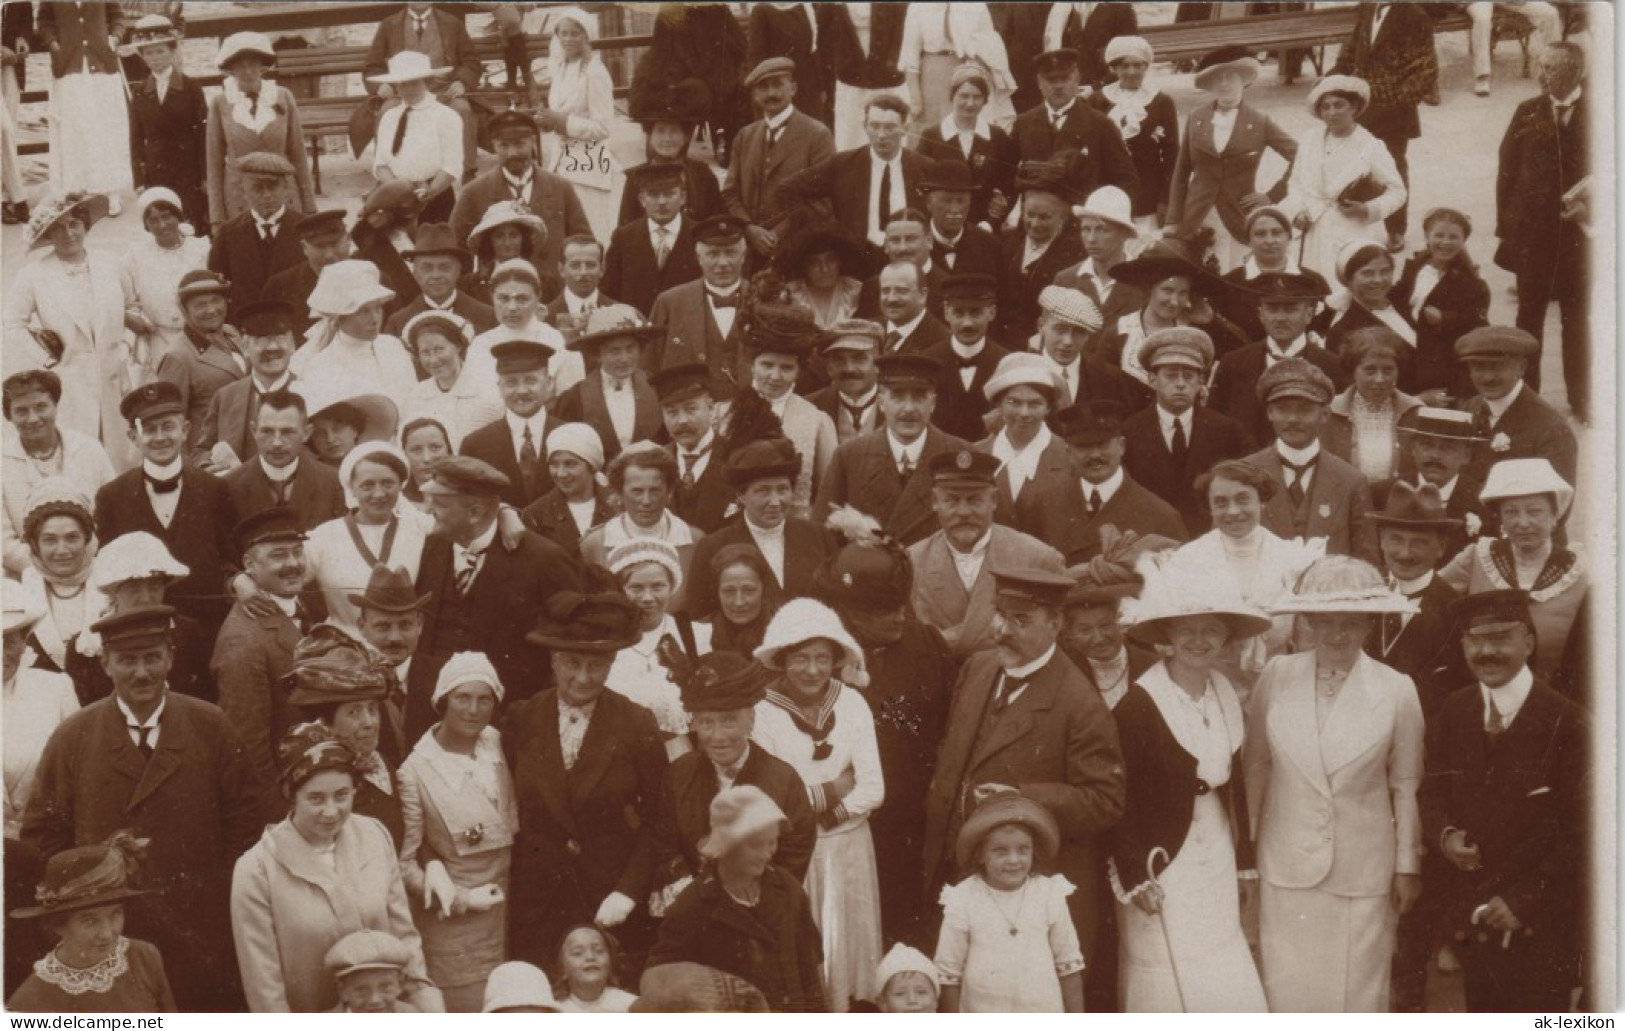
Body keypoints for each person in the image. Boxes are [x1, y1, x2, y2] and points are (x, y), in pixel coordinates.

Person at [23, 605, 263, 1011]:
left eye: (152, 657)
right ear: (105, 662)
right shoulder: (73, 738)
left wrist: (215, 894)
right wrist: (87, 898)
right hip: (111, 936)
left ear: (170, 657)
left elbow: (248, 822)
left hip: (201, 928)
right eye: (127, 660)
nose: (141, 672)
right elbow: (43, 838)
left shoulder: (211, 726)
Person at [923, 566, 1127, 970]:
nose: (1002, 630)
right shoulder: (979, 668)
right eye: (999, 614)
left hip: (1027, 894)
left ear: (1056, 625)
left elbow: (1105, 800)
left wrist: (1021, 799)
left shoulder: (1080, 703)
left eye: (1021, 620)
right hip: (960, 878)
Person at [1247, 556, 1424, 1011]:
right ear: (1306, 623)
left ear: (1370, 626)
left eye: (1351, 623)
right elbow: (1257, 767)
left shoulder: (1397, 688)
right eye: (1326, 623)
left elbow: (1405, 784)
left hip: (1361, 866)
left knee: (1357, 993)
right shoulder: (1276, 676)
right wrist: (1248, 854)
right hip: (1286, 861)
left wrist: (1406, 864)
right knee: (1288, 990)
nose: (1338, 635)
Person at [1109, 557, 1271, 1012]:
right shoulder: (1139, 705)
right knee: (1166, 960)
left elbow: (1234, 786)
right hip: (1162, 857)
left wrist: (1244, 864)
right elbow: (1116, 798)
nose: (1199, 641)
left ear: (1225, 638)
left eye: (1211, 630)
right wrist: (1135, 875)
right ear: (1168, 636)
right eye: (1187, 630)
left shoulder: (1223, 690)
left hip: (1215, 848)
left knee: (1217, 951)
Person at [1418, 590, 1589, 1012]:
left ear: (1528, 643)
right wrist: (1445, 836)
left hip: (1541, 923)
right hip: (1475, 922)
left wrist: (1522, 901)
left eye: (1500, 639)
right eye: (1475, 640)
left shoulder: (1570, 724)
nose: (1486, 651)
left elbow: (1585, 833)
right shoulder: (1455, 711)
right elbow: (1432, 790)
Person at [506, 586, 667, 967]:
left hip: (609, 903)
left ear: (611, 664)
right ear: (553, 661)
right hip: (539, 904)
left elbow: (662, 819)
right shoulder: (522, 719)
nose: (583, 677)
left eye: (596, 665)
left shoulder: (635, 723)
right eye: (572, 663)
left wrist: (628, 891)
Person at [812, 514, 955, 944]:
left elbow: (940, 724)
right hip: (846, 823)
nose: (897, 618)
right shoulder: (822, 657)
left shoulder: (926, 644)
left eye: (901, 606)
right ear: (847, 612)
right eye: (881, 611)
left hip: (909, 821)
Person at [231, 724, 442, 1013]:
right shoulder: (257, 870)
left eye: (342, 795)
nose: (331, 811)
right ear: (291, 795)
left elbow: (404, 939)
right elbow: (265, 988)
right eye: (316, 798)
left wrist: (427, 1008)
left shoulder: (374, 836)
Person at [750, 599, 885, 1010]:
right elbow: (772, 797)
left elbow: (873, 788)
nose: (812, 670)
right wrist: (833, 789)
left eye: (822, 658)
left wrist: (825, 815)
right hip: (795, 855)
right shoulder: (761, 711)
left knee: (850, 953)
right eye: (801, 658)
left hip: (848, 848)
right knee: (804, 951)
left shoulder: (852, 703)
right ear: (782, 660)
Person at [632, 649, 817, 910]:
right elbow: (664, 843)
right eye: (707, 723)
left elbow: (793, 858)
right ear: (694, 723)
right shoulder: (679, 773)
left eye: (729, 722)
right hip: (691, 913)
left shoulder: (783, 780)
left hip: (760, 917)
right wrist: (695, 897)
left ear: (750, 720)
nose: (718, 736)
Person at [412, 456, 583, 716]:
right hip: (434, 709)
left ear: (475, 512)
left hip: (508, 713)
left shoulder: (543, 559)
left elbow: (569, 643)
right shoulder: (433, 545)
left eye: (441, 504)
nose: (429, 511)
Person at [396, 652, 518, 1011]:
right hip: (456, 932)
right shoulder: (415, 770)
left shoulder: (496, 743)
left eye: (484, 699)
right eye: (462, 697)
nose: (473, 709)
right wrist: (461, 898)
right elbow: (405, 865)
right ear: (442, 700)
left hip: (508, 918)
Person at [647, 785, 826, 1011]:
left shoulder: (787, 888)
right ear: (727, 846)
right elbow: (659, 979)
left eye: (772, 841)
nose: (768, 852)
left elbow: (811, 975)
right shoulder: (693, 906)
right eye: (756, 844)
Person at [4, 193, 135, 468]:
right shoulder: (35, 275)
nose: (68, 233)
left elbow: (132, 306)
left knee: (121, 455)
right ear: (48, 235)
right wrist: (48, 360)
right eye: (58, 228)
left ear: (85, 224)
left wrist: (125, 345)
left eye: (74, 224)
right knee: (78, 456)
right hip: (71, 382)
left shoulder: (109, 263)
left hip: (115, 375)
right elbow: (12, 323)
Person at [1166, 460, 1320, 693]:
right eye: (1220, 503)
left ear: (1262, 502)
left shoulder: (1293, 559)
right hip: (1206, 689)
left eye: (1242, 499)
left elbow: (1306, 645)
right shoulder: (1187, 560)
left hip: (1280, 689)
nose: (1233, 511)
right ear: (1209, 508)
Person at [1493, 41, 1589, 415]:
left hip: (1580, 239)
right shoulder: (1528, 111)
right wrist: (1507, 230)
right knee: (1528, 318)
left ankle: (1581, 398)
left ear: (1574, 72)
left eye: (1550, 68)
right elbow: (1507, 172)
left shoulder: (1603, 113)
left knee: (1577, 318)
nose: (1541, 75)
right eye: (1541, 66)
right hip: (1532, 237)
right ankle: (1527, 398)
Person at [93, 382, 235, 630]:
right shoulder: (111, 497)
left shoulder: (216, 490)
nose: (160, 437)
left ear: (186, 430)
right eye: (149, 429)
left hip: (208, 627)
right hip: (142, 629)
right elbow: (108, 570)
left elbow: (229, 560)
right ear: (133, 437)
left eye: (168, 427)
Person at [1439, 458, 1586, 691]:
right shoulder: (1479, 557)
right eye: (1511, 512)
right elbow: (1431, 600)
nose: (1523, 522)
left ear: (1554, 516)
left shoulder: (1578, 573)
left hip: (1553, 700)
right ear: (1501, 519)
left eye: (1535, 511)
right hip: (1483, 695)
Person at [933, 790, 1085, 1012]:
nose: (1013, 860)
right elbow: (948, 974)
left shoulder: (1048, 894)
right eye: (1000, 851)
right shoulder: (964, 898)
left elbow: (1069, 965)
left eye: (1023, 849)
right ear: (980, 855)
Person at [907, 448, 1065, 657]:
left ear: (994, 501)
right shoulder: (912, 560)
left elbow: (1058, 633)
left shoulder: (1036, 557)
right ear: (935, 502)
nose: (963, 512)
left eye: (975, 500)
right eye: (952, 501)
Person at [213, 506, 320, 810]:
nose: (293, 564)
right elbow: (249, 747)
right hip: (288, 802)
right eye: (278, 555)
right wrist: (278, 810)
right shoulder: (243, 641)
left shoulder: (303, 606)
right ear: (249, 565)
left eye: (298, 552)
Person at [5, 833, 175, 1012]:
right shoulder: (27, 1002)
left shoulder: (144, 957)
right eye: (90, 921)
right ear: (57, 925)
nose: (107, 933)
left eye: (115, 914)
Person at [816, 353, 966, 546]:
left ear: (933, 403)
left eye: (919, 397)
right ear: (881, 402)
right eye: (898, 397)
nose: (909, 408)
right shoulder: (849, 456)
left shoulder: (958, 454)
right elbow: (820, 535)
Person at [1166, 47, 1296, 270]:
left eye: (1231, 77)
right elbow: (1181, 171)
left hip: (1238, 218)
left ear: (1243, 80)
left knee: (1235, 274)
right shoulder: (1196, 118)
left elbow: (1300, 157)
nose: (1224, 84)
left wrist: (1273, 195)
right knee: (1197, 275)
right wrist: (1173, 219)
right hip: (1197, 216)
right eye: (1218, 78)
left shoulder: (1259, 121)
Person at [1122, 328, 1255, 534]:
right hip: (1150, 541)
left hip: (1211, 542)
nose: (1181, 384)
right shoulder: (1129, 432)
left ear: (1201, 381)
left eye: (1189, 376)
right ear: (1152, 379)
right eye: (1171, 376)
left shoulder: (1227, 430)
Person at [1242, 358, 1376, 561]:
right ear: (1270, 413)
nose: (1293, 419)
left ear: (1325, 414)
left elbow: (1367, 564)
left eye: (1305, 409)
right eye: (1283, 408)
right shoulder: (1243, 474)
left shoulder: (1351, 481)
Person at [1329, 3, 1438, 252]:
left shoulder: (1414, 15)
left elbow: (1425, 70)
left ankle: (1396, 229)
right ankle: (1351, 226)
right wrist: (1333, 77)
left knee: (1393, 171)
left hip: (1394, 113)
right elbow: (1353, 48)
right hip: (1362, 107)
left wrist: (1393, 104)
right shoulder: (1369, 7)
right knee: (1350, 165)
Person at [685, 440, 835, 618]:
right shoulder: (713, 546)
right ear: (741, 495)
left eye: (782, 490)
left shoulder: (817, 536)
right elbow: (700, 614)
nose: (775, 502)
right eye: (763, 491)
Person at [1278, 76, 1406, 283]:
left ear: (1354, 107)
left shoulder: (1371, 146)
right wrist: (1296, 209)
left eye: (1339, 105)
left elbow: (1398, 192)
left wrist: (1367, 209)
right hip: (1310, 225)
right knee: (1306, 284)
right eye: (1325, 107)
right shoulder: (1310, 139)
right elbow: (1295, 182)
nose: (1332, 112)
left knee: (1342, 284)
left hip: (1349, 228)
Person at [1030, 400, 1186, 565]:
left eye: (1103, 444)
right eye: (1084, 447)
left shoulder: (1161, 516)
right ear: (1068, 452)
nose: (1095, 455)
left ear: (1121, 446)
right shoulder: (1043, 506)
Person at [773, 94, 936, 251]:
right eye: (874, 125)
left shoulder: (924, 167)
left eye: (890, 127)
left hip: (906, 255)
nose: (881, 135)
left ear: (904, 129)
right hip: (857, 260)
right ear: (865, 126)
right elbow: (786, 190)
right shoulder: (843, 164)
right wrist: (822, 228)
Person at [285, 626, 402, 843]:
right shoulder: (316, 780)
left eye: (372, 708)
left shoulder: (382, 763)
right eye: (354, 712)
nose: (370, 722)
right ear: (327, 723)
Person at [1364, 482, 1468, 717]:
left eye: (1419, 543)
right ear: (1381, 540)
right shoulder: (1360, 594)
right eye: (1396, 540)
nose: (1405, 553)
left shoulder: (1455, 612)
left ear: (1441, 547)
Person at [450, 108, 591, 280]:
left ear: (532, 142)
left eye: (519, 144)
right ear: (493, 146)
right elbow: (457, 252)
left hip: (552, 292)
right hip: (498, 296)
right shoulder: (473, 192)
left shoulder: (561, 188)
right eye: (503, 145)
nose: (512, 153)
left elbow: (583, 244)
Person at [1208, 271, 1346, 445]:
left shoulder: (1332, 366)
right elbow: (1216, 427)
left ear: (1309, 315)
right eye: (1272, 309)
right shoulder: (1234, 363)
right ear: (1261, 315)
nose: (1280, 318)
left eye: (1291, 309)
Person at [2, 371, 116, 579]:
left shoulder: (90, 449)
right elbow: (4, 540)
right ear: (9, 415)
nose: (33, 418)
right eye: (21, 411)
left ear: (55, 406)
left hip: (94, 570)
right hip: (26, 577)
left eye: (41, 407)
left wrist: (81, 560)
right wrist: (50, 566)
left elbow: (113, 515)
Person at [605, 538, 709, 758]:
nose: (647, 598)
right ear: (620, 590)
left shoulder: (694, 635)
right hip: (620, 757)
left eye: (657, 586)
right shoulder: (606, 640)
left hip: (682, 755)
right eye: (636, 588)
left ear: (672, 586)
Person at [723, 57, 836, 258]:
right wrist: (748, 228)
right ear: (755, 95)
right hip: (750, 248)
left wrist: (777, 233)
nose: (771, 94)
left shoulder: (817, 135)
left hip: (796, 247)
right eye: (763, 88)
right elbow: (730, 193)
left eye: (778, 85)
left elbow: (822, 201)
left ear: (793, 89)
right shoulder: (744, 136)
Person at [361, 2, 483, 185]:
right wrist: (381, 86)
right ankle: (387, 175)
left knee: (462, 109)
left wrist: (462, 82)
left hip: (443, 89)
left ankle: (467, 172)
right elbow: (373, 65)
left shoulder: (451, 23)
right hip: (403, 91)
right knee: (387, 111)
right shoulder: (389, 24)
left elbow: (471, 61)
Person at [1097, 237, 1246, 386]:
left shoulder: (1195, 332)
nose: (1174, 301)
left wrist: (1212, 320)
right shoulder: (1120, 333)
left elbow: (1243, 357)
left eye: (1183, 293)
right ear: (1149, 290)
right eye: (1167, 290)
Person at [205, 33, 315, 231]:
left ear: (263, 65)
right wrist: (217, 218)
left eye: (253, 64)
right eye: (240, 65)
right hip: (240, 198)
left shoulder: (283, 97)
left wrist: (309, 207)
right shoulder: (220, 103)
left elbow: (298, 154)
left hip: (283, 194)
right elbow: (214, 165)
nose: (248, 71)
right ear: (230, 69)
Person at [531, 7, 623, 244]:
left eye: (575, 33)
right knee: (566, 233)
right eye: (563, 33)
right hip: (562, 160)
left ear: (586, 35)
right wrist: (548, 122)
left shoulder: (596, 72)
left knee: (592, 230)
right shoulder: (560, 67)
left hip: (588, 164)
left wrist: (561, 122)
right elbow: (560, 110)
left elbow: (603, 127)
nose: (568, 39)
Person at [1453, 327, 1577, 488]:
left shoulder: (1551, 429)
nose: (1488, 377)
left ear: (1521, 368)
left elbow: (1556, 505)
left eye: (1497, 366)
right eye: (1479, 367)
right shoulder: (1467, 410)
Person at [2, 581, 79, 839]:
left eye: (8, 642)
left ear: (25, 643)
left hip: (44, 845)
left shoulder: (55, 688)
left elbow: (78, 770)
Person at [1009, 48, 1137, 199]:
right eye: (1051, 80)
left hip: (1083, 218)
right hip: (1037, 218)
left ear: (1077, 78)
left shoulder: (1100, 124)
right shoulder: (1024, 123)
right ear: (1039, 82)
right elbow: (1006, 174)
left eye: (1065, 79)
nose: (1058, 86)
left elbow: (1126, 181)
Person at [37, 1, 132, 207]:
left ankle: (111, 192)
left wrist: (114, 37)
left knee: (106, 129)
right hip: (69, 65)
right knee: (73, 130)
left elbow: (117, 16)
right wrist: (53, 42)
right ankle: (75, 190)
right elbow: (44, 21)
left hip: (102, 66)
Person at [1391, 208, 1489, 402]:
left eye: (1454, 237)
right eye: (1439, 235)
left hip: (1445, 357)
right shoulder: (1416, 265)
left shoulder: (1471, 282)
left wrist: (1444, 319)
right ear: (1427, 236)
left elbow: (1477, 320)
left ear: (1463, 241)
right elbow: (1401, 293)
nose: (1445, 243)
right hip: (1412, 345)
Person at [648, 215, 754, 391]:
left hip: (752, 411)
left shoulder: (763, 300)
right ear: (698, 258)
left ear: (743, 256)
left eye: (731, 253)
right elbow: (649, 367)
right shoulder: (669, 302)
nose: (723, 263)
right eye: (712, 254)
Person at [124, 17, 208, 234]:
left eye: (160, 51)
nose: (156, 58)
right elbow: (135, 138)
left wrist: (206, 175)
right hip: (156, 170)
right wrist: (139, 179)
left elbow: (203, 134)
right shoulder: (140, 92)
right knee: (162, 222)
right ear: (141, 56)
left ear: (172, 51)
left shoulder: (191, 88)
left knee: (192, 223)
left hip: (188, 169)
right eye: (149, 53)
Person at [289, 260, 416, 402]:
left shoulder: (393, 347)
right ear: (340, 317)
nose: (375, 319)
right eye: (363, 311)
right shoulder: (321, 365)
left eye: (377, 308)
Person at [221, 390, 347, 532]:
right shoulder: (228, 486)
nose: (276, 443)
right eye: (267, 431)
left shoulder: (333, 483)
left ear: (306, 433)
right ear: (253, 430)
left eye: (287, 432)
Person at [15, 480, 103, 679]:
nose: (62, 550)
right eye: (50, 540)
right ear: (35, 545)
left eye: (72, 538)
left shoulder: (109, 583)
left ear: (87, 539)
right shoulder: (21, 594)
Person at [1090, 37, 1179, 233]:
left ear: (1146, 67)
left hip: (1148, 193)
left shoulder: (1161, 102)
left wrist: (1165, 199)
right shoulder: (1098, 100)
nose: (1131, 72)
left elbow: (1172, 155)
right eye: (1124, 65)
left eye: (1137, 65)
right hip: (1108, 190)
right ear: (1114, 68)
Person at [553, 306, 664, 461]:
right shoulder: (575, 397)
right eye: (614, 351)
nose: (624, 358)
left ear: (640, 349)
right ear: (598, 354)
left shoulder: (658, 388)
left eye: (630, 348)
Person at [914, 66, 1016, 232]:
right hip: (941, 227)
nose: (970, 103)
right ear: (952, 96)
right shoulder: (931, 136)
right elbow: (920, 184)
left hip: (986, 228)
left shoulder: (997, 137)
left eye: (977, 97)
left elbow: (1008, 184)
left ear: (985, 100)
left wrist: (990, 223)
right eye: (964, 96)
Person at [977, 353, 1071, 532]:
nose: (1024, 413)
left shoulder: (1069, 458)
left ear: (1049, 408)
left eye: (1035, 404)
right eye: (1014, 402)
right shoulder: (977, 454)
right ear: (999, 404)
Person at [206, 153, 305, 318]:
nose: (266, 195)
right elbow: (218, 286)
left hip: (297, 326)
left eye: (273, 186)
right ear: (243, 191)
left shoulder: (305, 228)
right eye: (257, 188)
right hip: (247, 329)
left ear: (286, 188)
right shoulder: (228, 233)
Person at [367, 52, 461, 226]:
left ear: (427, 82)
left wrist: (428, 192)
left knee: (431, 247)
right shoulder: (389, 117)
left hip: (435, 196)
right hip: (396, 198)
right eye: (402, 84)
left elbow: (452, 166)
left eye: (414, 83)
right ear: (395, 86)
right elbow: (380, 164)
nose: (408, 89)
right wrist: (398, 190)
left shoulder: (446, 116)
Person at [121, 189, 212, 367]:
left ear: (178, 216)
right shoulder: (134, 258)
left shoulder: (202, 249)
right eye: (154, 220)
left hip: (204, 337)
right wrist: (131, 318)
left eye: (167, 216)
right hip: (160, 341)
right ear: (146, 225)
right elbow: (127, 301)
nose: (162, 225)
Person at [997, 162, 1086, 343]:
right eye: (1030, 215)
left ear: (1063, 216)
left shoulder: (1075, 255)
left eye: (1045, 217)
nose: (1035, 224)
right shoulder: (1006, 243)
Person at [578, 442, 700, 573]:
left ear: (669, 491)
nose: (646, 501)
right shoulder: (595, 544)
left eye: (655, 490)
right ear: (620, 492)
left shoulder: (695, 541)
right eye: (637, 491)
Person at [621, 74, 725, 228]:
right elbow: (626, 230)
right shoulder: (635, 178)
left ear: (685, 136)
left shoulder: (702, 175)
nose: (667, 138)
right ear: (650, 135)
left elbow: (716, 223)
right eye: (661, 131)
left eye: (674, 131)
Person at [1325, 327, 1422, 486]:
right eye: (1370, 370)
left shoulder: (1415, 412)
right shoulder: (1330, 411)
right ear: (1353, 370)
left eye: (1388, 370)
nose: (1379, 379)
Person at [603, 163, 703, 317]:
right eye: (654, 195)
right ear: (642, 199)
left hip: (685, 329)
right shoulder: (623, 237)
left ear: (683, 197)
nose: (662, 202)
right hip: (636, 332)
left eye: (669, 194)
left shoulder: (700, 236)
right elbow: (608, 292)